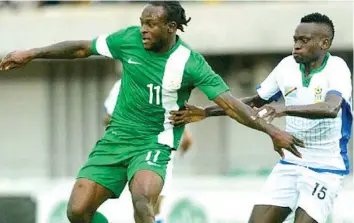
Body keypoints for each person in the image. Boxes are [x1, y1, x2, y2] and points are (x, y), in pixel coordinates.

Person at [0, 2, 304, 223]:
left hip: (153, 142)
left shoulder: (190, 62)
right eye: (142, 22)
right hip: (115, 139)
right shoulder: (128, 39)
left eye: (151, 24)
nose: (144, 29)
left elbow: (230, 103)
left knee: (143, 201)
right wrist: (31, 53)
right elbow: (82, 48)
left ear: (171, 28)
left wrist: (272, 130)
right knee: (77, 211)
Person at [169, 12, 352, 223]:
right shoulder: (286, 67)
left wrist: (284, 109)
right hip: (291, 163)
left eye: (304, 40)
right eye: (295, 40)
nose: (297, 46)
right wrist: (206, 111)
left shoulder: (337, 68)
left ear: (324, 43)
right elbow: (256, 102)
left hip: (326, 167)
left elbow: (331, 108)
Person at [103, 79, 193, 223]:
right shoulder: (125, 83)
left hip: (157, 149)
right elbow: (109, 117)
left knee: (150, 202)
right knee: (147, 202)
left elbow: (108, 117)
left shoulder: (165, 83)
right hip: (140, 150)